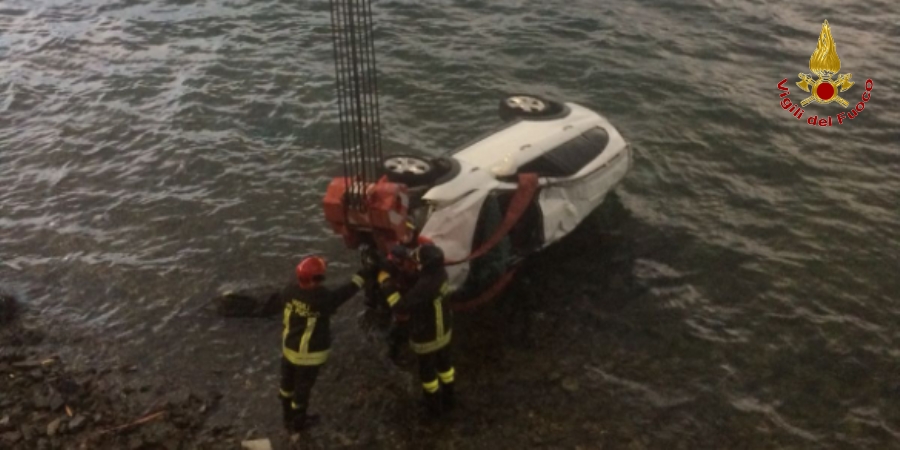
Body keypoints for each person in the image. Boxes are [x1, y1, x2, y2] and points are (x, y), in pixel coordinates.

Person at [279, 256, 367, 431]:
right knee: (303, 389)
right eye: (321, 277)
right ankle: (299, 422)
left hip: (289, 348)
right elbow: (345, 293)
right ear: (315, 280)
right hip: (309, 354)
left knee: (287, 384)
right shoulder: (321, 298)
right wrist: (362, 276)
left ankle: (286, 416)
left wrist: (319, 264)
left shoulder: (289, 291)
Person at [377, 243, 456, 416]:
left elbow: (400, 307)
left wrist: (386, 283)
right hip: (444, 329)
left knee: (427, 374)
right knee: (445, 367)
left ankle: (433, 407)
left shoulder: (426, 285)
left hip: (428, 335)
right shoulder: (440, 274)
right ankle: (449, 398)